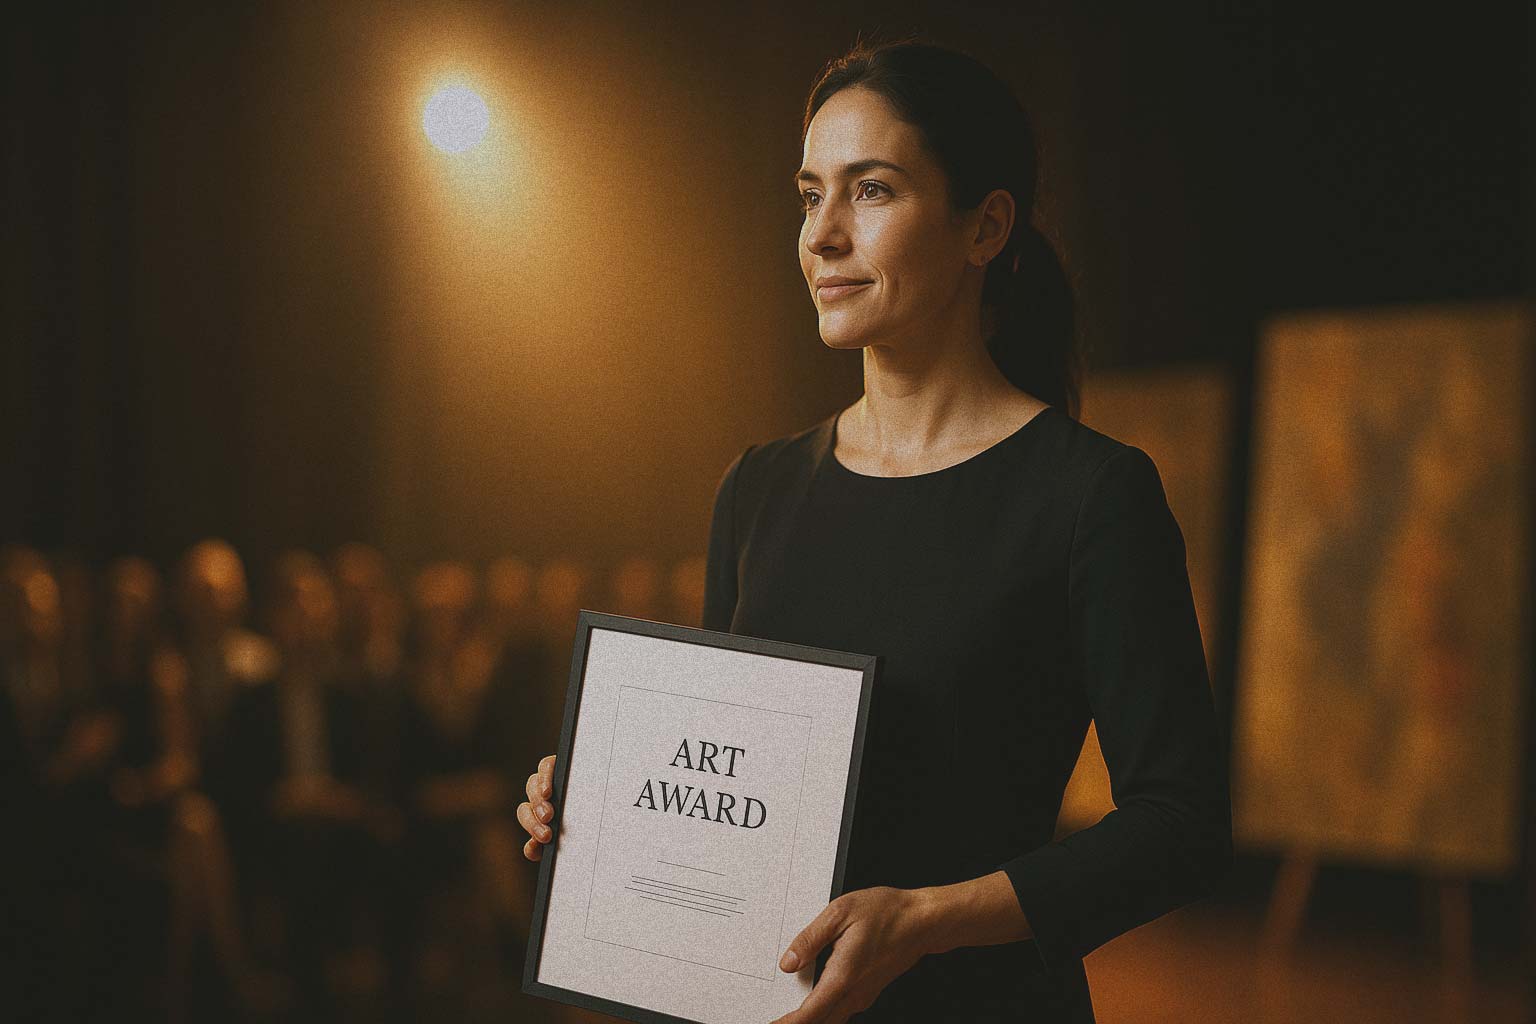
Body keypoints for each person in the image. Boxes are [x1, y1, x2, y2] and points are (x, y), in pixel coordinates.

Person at [516, 36, 1233, 1023]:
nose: (822, 235)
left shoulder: (1091, 495)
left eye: (873, 190)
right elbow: (733, 782)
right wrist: (611, 798)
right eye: (811, 194)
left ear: (985, 227)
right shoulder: (759, 488)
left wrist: (928, 919)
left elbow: (1182, 826)